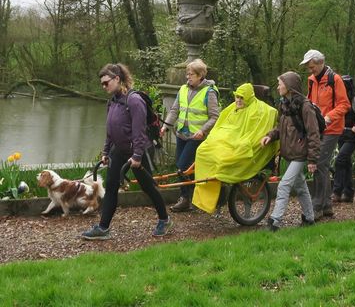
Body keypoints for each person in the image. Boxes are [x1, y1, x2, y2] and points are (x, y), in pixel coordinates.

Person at [81, 63, 171, 240]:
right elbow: (111, 130)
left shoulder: (134, 101)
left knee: (148, 187)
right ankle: (103, 228)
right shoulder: (113, 101)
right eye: (102, 84)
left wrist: (137, 156)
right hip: (119, 150)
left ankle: (164, 219)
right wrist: (106, 152)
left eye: (106, 82)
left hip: (139, 151)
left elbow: (140, 132)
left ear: (117, 79)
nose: (103, 86)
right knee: (112, 186)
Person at [191, 82, 279, 213]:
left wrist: (240, 143)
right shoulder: (232, 108)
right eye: (237, 97)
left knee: (221, 161)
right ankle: (205, 200)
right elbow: (220, 126)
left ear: (248, 97)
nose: (238, 100)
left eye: (241, 97)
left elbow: (254, 132)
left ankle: (216, 198)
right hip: (223, 142)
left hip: (237, 144)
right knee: (202, 151)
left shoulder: (259, 111)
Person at [260, 72, 320, 231]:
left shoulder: (305, 106)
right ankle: (309, 218)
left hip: (300, 154)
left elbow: (313, 133)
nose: (278, 86)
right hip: (290, 154)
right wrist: (270, 136)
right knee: (300, 187)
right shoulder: (284, 104)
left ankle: (275, 221)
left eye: (280, 83)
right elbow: (281, 128)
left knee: (284, 185)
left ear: (289, 86)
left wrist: (313, 160)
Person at [160, 59, 219, 212]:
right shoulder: (183, 89)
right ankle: (189, 198)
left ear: (200, 75)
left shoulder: (209, 92)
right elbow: (174, 110)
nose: (188, 77)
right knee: (183, 168)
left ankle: (187, 198)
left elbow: (214, 116)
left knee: (183, 167)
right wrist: (165, 126)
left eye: (191, 74)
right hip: (181, 135)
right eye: (187, 74)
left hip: (196, 137)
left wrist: (203, 130)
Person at [300, 49, 350, 220]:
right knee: (323, 166)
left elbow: (345, 105)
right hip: (317, 128)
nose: (310, 69)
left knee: (319, 163)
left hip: (332, 128)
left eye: (311, 66)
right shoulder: (311, 81)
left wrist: (328, 117)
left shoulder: (335, 80)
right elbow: (309, 102)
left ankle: (318, 206)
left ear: (320, 63)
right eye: (308, 67)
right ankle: (327, 205)